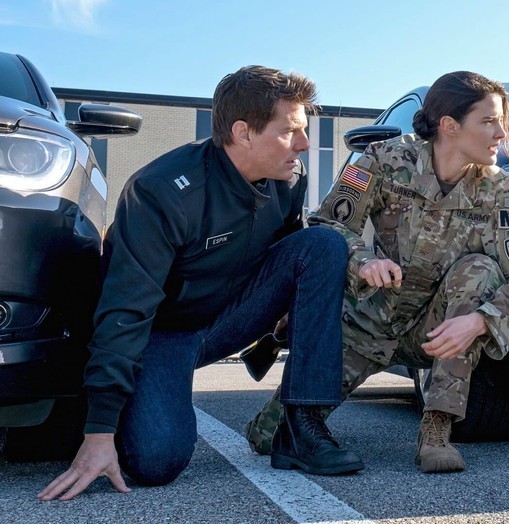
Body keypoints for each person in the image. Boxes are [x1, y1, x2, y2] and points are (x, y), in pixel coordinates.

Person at [39, 66, 362, 502]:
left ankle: (301, 430)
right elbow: (125, 309)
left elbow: (290, 251)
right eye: (291, 132)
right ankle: (114, 401)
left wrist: (290, 314)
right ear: (243, 132)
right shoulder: (161, 192)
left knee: (322, 244)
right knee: (157, 462)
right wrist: (100, 429)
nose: (304, 145)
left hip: (229, 318)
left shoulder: (289, 177)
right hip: (162, 333)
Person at [246, 71, 509, 473]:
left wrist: (480, 321)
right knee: (267, 439)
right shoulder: (383, 159)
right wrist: (363, 261)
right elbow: (328, 226)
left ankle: (436, 428)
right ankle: (280, 341)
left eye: (503, 121)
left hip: (435, 330)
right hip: (366, 320)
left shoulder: (500, 190)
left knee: (480, 269)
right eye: (490, 121)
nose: (502, 133)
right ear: (450, 125)